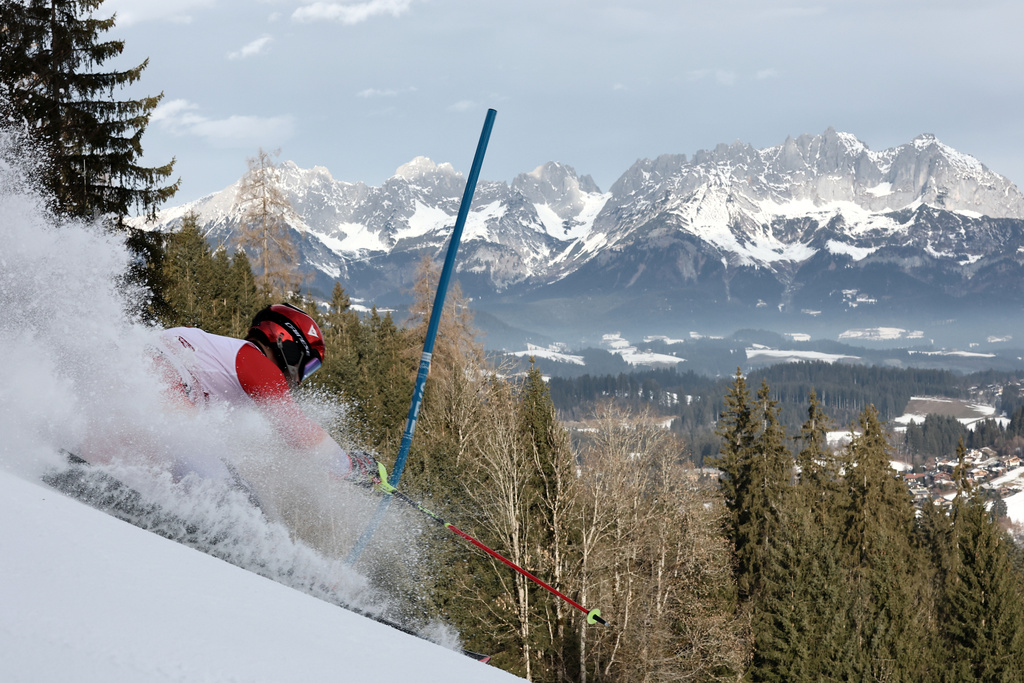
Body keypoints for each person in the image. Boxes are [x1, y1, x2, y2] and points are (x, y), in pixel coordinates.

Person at [151, 303, 380, 488]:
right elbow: (298, 431)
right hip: (166, 385)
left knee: (227, 481)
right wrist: (349, 466)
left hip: (146, 383)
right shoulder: (258, 364)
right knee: (231, 498)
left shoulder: (226, 353)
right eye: (306, 366)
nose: (299, 379)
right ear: (287, 344)